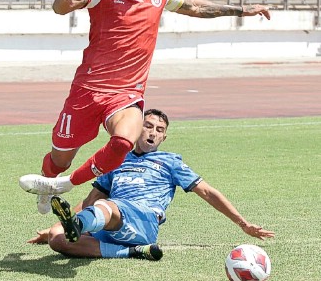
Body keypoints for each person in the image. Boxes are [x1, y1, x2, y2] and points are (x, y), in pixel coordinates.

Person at [19, 0, 270, 213]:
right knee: (59, 158)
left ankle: (64, 184)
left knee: (124, 141)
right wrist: (68, 2)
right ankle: (51, 179)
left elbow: (195, 7)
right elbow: (65, 5)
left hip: (127, 94)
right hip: (88, 91)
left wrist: (241, 10)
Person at [28, 109, 275, 260]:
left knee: (105, 205)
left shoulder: (170, 161)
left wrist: (243, 224)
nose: (153, 132)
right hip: (110, 218)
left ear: (164, 137)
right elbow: (90, 200)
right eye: (148, 126)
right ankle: (132, 252)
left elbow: (208, 192)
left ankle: (79, 225)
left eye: (159, 129)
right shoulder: (118, 159)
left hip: (143, 219)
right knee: (57, 240)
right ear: (137, 128)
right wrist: (56, 228)